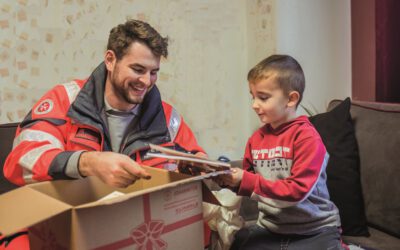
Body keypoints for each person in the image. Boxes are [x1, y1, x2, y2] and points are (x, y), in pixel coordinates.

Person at [2, 19, 206, 249]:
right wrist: (87, 163)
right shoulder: (66, 99)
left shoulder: (168, 118)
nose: (146, 82)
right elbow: (21, 161)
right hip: (66, 227)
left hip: (135, 232)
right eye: (138, 69)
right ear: (110, 60)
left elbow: (194, 157)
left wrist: (199, 165)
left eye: (154, 72)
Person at [215, 55, 348, 250]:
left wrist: (246, 180)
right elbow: (251, 185)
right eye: (253, 96)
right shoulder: (256, 140)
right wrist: (230, 181)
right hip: (270, 228)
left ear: (291, 99)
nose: (254, 105)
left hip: (315, 229)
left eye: (263, 97)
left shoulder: (307, 138)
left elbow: (297, 191)